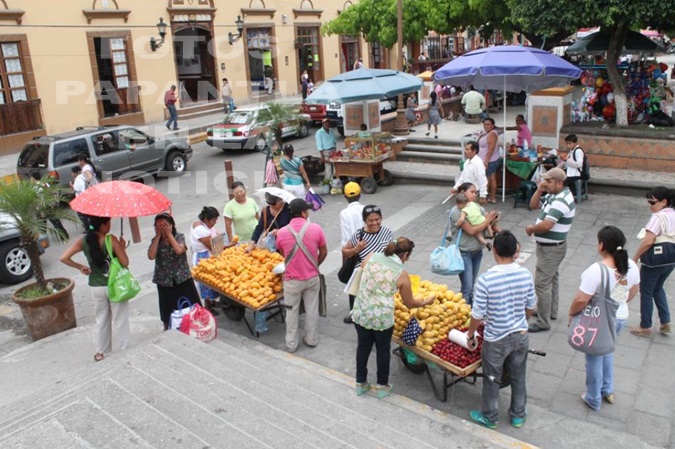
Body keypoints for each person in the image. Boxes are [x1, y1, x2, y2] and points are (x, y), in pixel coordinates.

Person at [467, 231, 536, 429]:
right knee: (518, 376)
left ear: (494, 250)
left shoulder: (486, 280)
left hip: (496, 338)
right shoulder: (525, 273)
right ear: (516, 250)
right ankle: (518, 414)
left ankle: (490, 417)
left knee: (491, 378)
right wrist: (522, 321)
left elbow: (477, 315)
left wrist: (470, 334)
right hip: (521, 336)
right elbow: (531, 306)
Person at [352, 237, 435, 398]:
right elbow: (410, 303)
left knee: (363, 347)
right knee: (383, 350)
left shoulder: (370, 256)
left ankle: (360, 383)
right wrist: (426, 301)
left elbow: (364, 272)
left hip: (361, 310)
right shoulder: (401, 274)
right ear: (405, 256)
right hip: (382, 318)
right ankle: (382, 387)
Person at [568, 226, 640, 411]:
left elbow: (581, 299)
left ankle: (593, 397)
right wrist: (620, 303)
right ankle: (607, 389)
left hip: (599, 321)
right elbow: (633, 291)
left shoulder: (596, 270)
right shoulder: (631, 265)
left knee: (593, 358)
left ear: (601, 245)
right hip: (620, 316)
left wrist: (571, 314)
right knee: (607, 352)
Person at [60, 216, 130, 362]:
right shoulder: (111, 240)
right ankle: (123, 349)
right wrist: (121, 248)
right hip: (114, 285)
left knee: (102, 319)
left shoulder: (84, 241)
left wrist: (80, 267)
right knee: (120, 318)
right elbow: (125, 262)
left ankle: (100, 351)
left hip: (96, 286)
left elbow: (64, 258)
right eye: (108, 222)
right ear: (103, 225)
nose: (110, 224)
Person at [525, 167, 576, 333]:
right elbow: (532, 206)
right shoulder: (554, 195)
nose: (545, 183)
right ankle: (550, 312)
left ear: (559, 183)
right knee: (552, 279)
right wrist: (540, 189)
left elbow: (547, 225)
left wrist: (531, 229)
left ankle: (542, 321)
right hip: (550, 247)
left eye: (548, 181)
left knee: (541, 284)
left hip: (551, 250)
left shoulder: (561, 200)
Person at [276, 198, 328, 353]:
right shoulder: (316, 228)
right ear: (304, 213)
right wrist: (315, 265)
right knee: (312, 309)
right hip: (312, 278)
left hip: (292, 280)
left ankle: (291, 344)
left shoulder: (282, 232)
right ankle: (311, 339)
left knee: (291, 312)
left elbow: (282, 253)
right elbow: (324, 251)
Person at [630, 186, 675, 337]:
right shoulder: (673, 214)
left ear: (664, 202)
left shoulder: (657, 217)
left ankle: (645, 325)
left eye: (652, 202)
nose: (650, 205)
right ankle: (665, 321)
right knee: (658, 288)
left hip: (654, 261)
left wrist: (635, 258)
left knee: (646, 290)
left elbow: (648, 241)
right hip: (670, 260)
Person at [148, 213, 201, 331]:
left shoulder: (179, 237)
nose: (161, 228)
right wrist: (158, 237)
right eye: (158, 226)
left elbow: (178, 250)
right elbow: (151, 256)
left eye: (165, 225)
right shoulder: (155, 241)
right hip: (164, 280)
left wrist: (168, 234)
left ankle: (193, 325)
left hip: (182, 277)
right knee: (167, 308)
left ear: (171, 225)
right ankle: (168, 327)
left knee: (190, 305)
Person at [341, 205, 394, 323]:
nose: (375, 223)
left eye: (377, 219)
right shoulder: (359, 234)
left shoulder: (387, 232)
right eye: (371, 220)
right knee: (357, 297)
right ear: (365, 220)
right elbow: (344, 251)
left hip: (381, 274)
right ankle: (354, 315)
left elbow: (391, 252)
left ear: (381, 218)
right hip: (361, 274)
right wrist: (356, 249)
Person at [447, 182, 498, 305]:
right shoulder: (457, 211)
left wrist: (494, 217)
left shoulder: (475, 206)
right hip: (463, 253)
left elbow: (487, 218)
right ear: (463, 192)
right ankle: (467, 314)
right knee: (468, 287)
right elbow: (472, 230)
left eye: (476, 192)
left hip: (477, 251)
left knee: (470, 285)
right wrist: (487, 221)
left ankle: (465, 309)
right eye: (472, 192)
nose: (475, 195)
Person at [189, 206, 221, 316]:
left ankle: (212, 302)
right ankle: (208, 308)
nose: (215, 223)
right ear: (206, 219)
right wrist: (225, 246)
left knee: (212, 281)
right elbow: (212, 246)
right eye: (214, 220)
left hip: (208, 256)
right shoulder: (200, 230)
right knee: (207, 283)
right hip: (203, 259)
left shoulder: (202, 223)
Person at [30, 172, 69, 239]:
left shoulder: (35, 188)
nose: (30, 179)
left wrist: (41, 211)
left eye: (31, 177)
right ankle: (64, 235)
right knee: (55, 221)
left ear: (33, 178)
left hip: (42, 208)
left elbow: (39, 200)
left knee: (42, 225)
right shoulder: (45, 184)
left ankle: (44, 239)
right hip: (50, 205)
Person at [478, 118, 500, 204]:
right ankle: (492, 198)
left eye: (488, 124)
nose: (486, 126)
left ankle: (484, 198)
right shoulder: (489, 133)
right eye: (485, 124)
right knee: (492, 178)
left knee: (486, 180)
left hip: (489, 160)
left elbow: (491, 149)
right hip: (492, 159)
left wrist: (486, 161)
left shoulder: (491, 134)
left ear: (492, 125)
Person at [340, 182, 365, 247]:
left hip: (352, 248)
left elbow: (345, 235)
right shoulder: (365, 208)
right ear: (360, 194)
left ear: (345, 196)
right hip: (367, 246)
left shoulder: (344, 213)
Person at [70, 166, 89, 231]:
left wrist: (72, 186)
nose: (71, 174)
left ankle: (88, 227)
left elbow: (79, 189)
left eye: (72, 173)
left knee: (82, 215)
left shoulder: (78, 180)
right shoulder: (83, 177)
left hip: (81, 200)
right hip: (85, 198)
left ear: (75, 173)